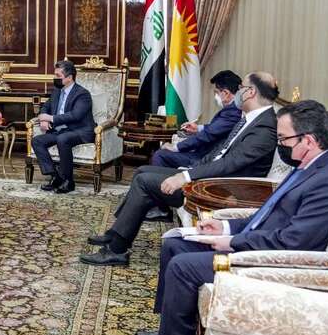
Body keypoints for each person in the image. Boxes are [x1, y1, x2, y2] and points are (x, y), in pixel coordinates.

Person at [131, 100, 328, 335]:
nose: (279, 145)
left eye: (283, 139)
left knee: (183, 266)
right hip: (255, 242)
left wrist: (233, 242)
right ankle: (170, 331)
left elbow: (294, 242)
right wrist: (224, 228)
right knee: (175, 244)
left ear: (308, 140)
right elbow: (267, 215)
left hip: (270, 260)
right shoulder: (307, 165)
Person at [81, 71, 279, 266]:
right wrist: (192, 167)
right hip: (211, 178)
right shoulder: (251, 118)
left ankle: (117, 249)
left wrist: (186, 176)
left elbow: (229, 164)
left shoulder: (264, 127)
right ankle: (117, 233)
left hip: (221, 189)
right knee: (142, 171)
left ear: (251, 92)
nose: (238, 91)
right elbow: (220, 152)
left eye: (242, 87)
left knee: (144, 181)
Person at [151, 70, 242, 168]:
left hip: (205, 159)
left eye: (216, 92)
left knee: (160, 155)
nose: (215, 96)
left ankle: (163, 178)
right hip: (206, 153)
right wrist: (198, 128)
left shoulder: (233, 111)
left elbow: (208, 134)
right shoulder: (233, 109)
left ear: (226, 93)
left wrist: (176, 147)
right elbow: (217, 128)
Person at [31, 59, 96, 193]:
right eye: (55, 75)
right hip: (60, 131)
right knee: (37, 141)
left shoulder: (82, 94)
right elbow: (46, 106)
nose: (55, 78)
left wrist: (51, 118)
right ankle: (55, 176)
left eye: (58, 76)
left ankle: (68, 181)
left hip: (80, 131)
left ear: (69, 77)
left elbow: (75, 115)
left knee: (63, 139)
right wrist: (43, 120)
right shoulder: (57, 90)